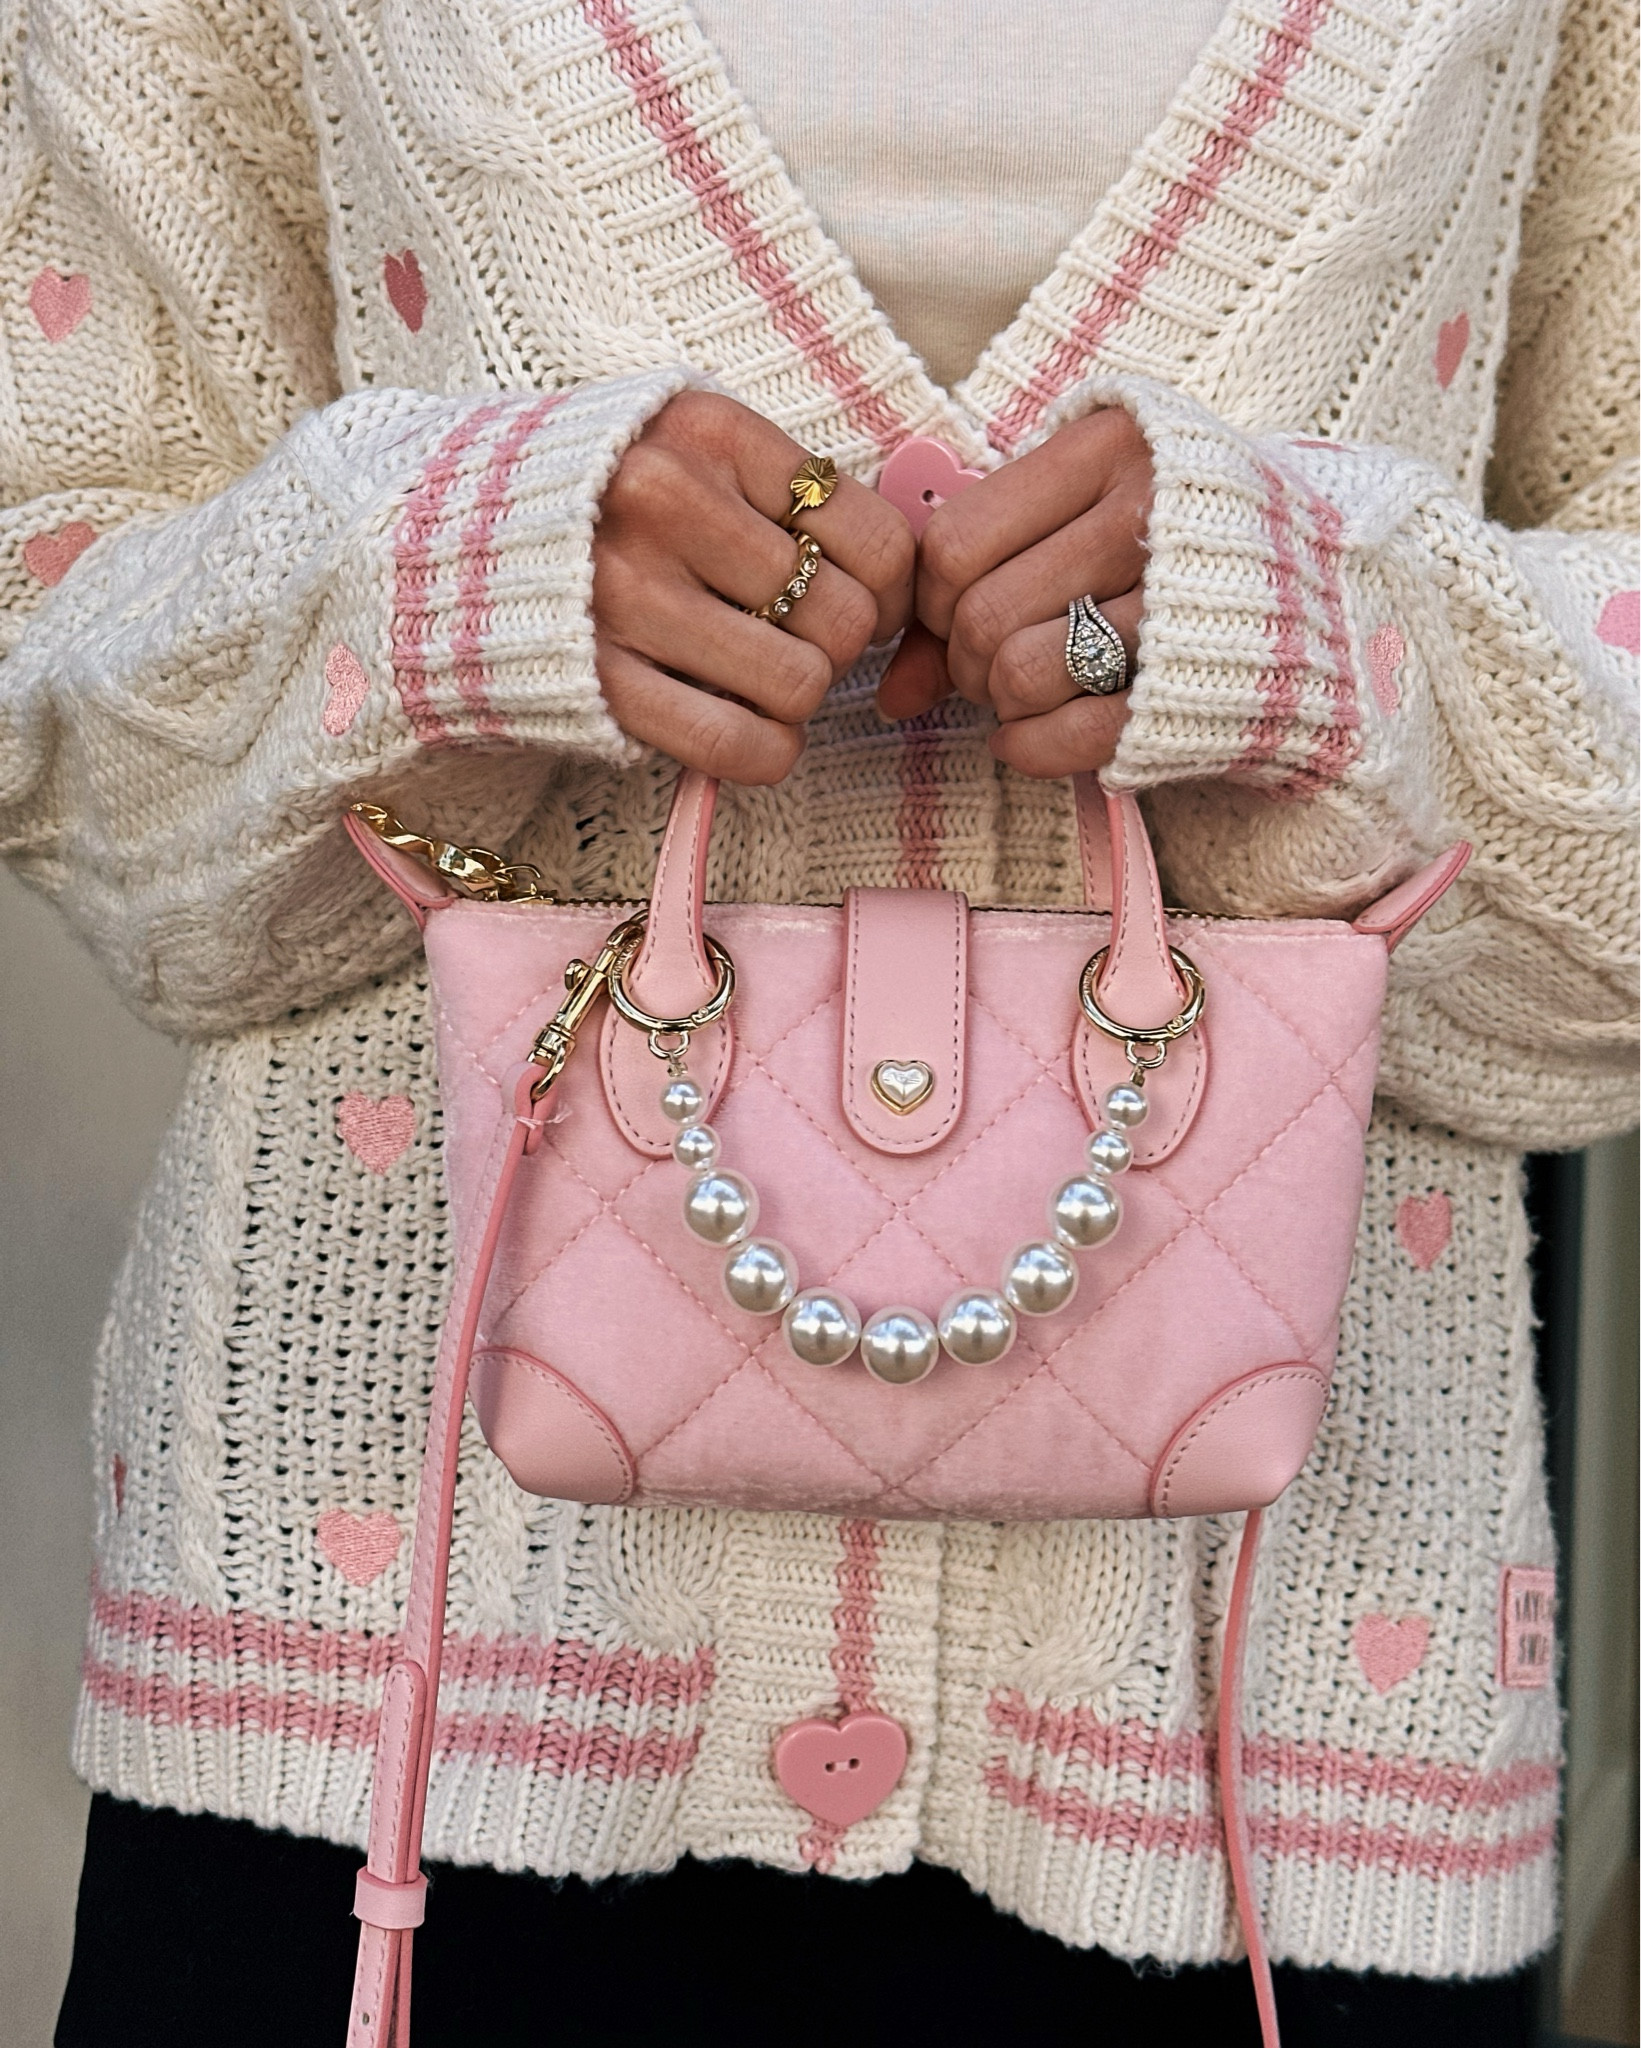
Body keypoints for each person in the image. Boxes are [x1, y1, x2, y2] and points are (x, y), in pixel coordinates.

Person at [3, 1, 1633, 2042]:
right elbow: (70, 690)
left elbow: (1597, 978)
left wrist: (1324, 644)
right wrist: (442, 584)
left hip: (1269, 1774)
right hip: (382, 1743)